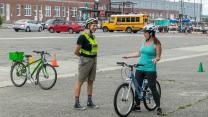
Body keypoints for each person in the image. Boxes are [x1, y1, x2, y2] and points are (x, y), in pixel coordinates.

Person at [123, 25, 162, 115]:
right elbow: (139, 53)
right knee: (137, 86)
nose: (144, 34)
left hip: (150, 68)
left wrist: (156, 59)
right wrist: (128, 56)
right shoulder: (144, 42)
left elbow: (158, 56)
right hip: (140, 67)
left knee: (152, 87)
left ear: (151, 33)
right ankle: (137, 105)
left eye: (145, 32)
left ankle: (158, 106)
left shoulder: (157, 44)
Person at [73, 18, 99, 110]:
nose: (95, 27)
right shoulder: (82, 37)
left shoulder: (93, 37)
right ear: (88, 26)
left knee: (91, 81)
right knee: (80, 81)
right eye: (93, 25)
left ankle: (89, 101)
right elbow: (76, 51)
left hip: (93, 60)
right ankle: (76, 103)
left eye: (96, 25)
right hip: (85, 61)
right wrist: (83, 57)